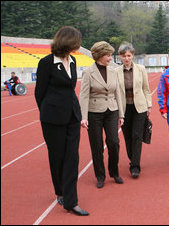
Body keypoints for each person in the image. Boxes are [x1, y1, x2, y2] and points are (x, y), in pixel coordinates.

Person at [34, 26, 89, 216]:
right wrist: (49, 113)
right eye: (75, 43)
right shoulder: (46, 63)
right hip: (52, 119)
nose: (77, 47)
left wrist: (78, 113)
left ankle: (71, 201)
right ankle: (60, 191)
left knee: (72, 157)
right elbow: (39, 93)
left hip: (72, 115)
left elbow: (70, 88)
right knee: (57, 157)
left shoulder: (72, 61)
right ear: (66, 42)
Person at [79, 41, 124, 189]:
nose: (111, 58)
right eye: (108, 55)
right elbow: (84, 95)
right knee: (97, 146)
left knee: (114, 142)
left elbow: (117, 92)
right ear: (99, 55)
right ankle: (100, 175)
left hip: (112, 110)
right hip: (94, 113)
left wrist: (121, 114)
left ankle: (114, 172)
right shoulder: (88, 72)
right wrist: (83, 117)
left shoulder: (114, 71)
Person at [116, 42, 152, 178]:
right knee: (127, 136)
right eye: (124, 56)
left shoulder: (141, 69)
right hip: (124, 108)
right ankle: (132, 158)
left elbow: (146, 88)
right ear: (120, 56)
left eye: (129, 55)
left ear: (133, 56)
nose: (126, 58)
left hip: (140, 107)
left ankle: (135, 166)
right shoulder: (116, 72)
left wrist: (149, 105)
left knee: (137, 136)